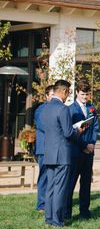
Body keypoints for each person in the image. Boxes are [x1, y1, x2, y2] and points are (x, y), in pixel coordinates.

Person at [41, 79, 85, 227]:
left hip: (49, 152)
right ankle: (57, 220)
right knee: (60, 188)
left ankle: (48, 217)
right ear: (64, 91)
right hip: (62, 154)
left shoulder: (44, 108)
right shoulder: (63, 109)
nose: (68, 96)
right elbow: (68, 133)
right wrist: (78, 130)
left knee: (50, 187)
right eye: (68, 93)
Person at [65, 79, 98, 221]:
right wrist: (84, 146)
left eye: (87, 94)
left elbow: (95, 127)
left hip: (89, 151)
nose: (85, 97)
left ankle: (85, 212)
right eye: (83, 94)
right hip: (75, 151)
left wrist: (92, 143)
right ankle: (66, 213)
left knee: (86, 183)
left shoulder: (92, 108)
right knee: (70, 183)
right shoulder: (70, 109)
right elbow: (70, 133)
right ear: (77, 93)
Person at [34, 84, 55, 212]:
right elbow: (43, 126)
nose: (53, 98)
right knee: (44, 176)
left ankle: (51, 201)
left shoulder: (58, 109)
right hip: (44, 148)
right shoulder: (41, 110)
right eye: (51, 95)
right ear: (47, 96)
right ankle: (41, 204)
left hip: (54, 148)